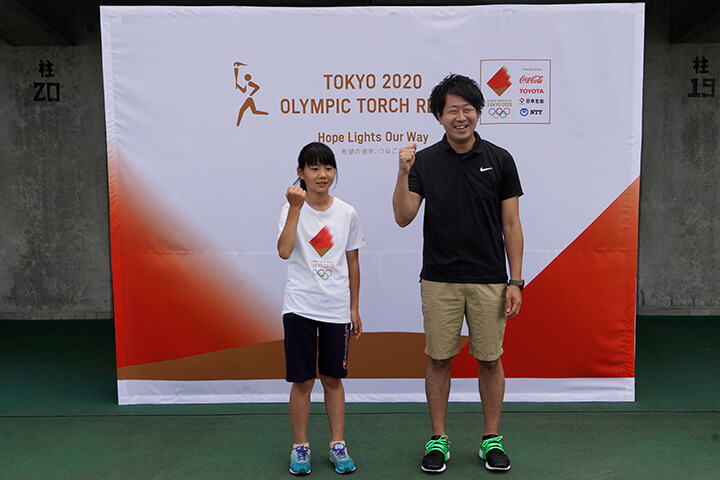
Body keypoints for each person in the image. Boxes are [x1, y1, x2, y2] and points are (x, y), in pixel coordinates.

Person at [392, 74, 524, 474]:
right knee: (439, 359)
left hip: (489, 279)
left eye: (468, 109)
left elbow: (512, 225)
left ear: (478, 113)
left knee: (489, 360)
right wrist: (402, 171)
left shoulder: (500, 159)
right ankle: (438, 439)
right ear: (438, 115)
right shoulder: (425, 162)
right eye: (452, 110)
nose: (461, 117)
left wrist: (514, 281)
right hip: (439, 279)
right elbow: (403, 216)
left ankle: (491, 439)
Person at [278, 142, 365, 475]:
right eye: (313, 168)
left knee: (332, 378)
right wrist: (296, 209)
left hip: (336, 309)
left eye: (327, 168)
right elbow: (285, 251)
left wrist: (354, 308)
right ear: (300, 173)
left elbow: (353, 263)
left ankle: (337, 445)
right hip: (300, 306)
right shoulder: (289, 209)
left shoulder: (347, 213)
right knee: (302, 381)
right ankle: (300, 447)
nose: (322, 175)